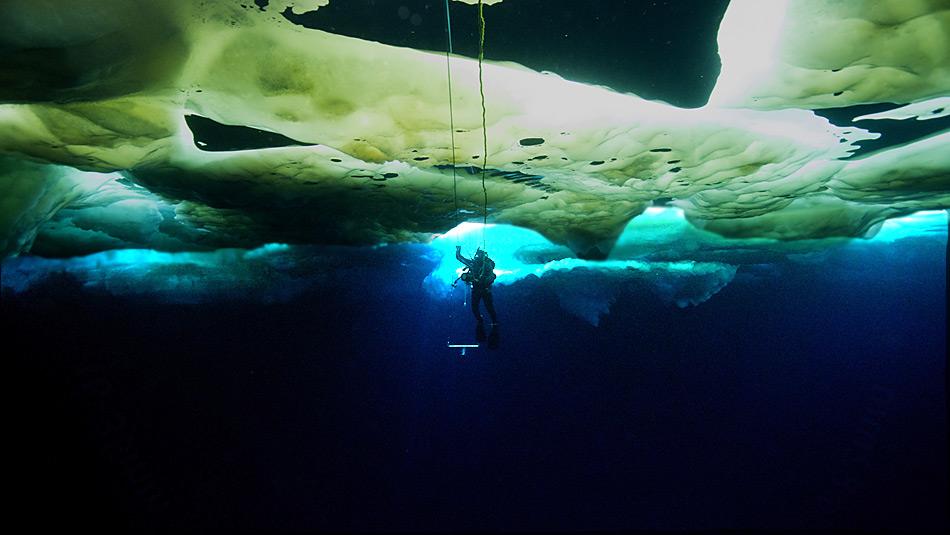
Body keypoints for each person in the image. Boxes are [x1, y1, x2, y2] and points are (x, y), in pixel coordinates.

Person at [455, 245, 498, 334]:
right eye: (477, 256)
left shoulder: (487, 265)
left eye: (479, 256)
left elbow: (492, 276)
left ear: (483, 257)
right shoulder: (473, 264)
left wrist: (484, 281)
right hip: (477, 289)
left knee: (488, 308)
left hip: (485, 289)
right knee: (475, 308)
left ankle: (494, 323)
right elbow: (460, 258)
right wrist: (458, 251)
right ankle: (481, 321)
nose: (477, 257)